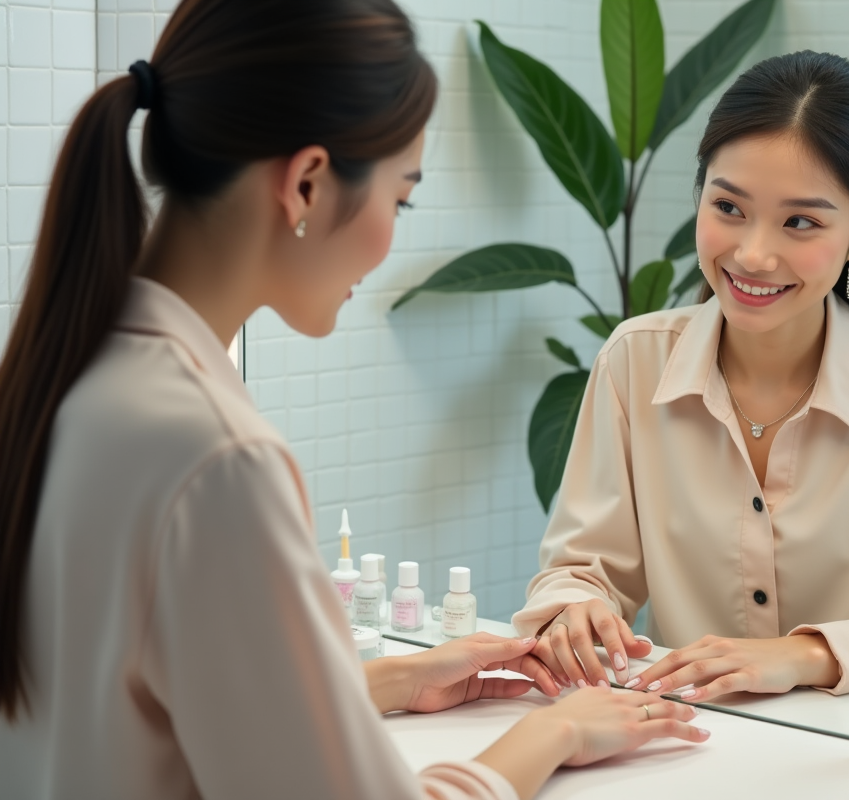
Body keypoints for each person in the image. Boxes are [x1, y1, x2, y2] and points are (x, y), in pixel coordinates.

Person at [0, 2, 707, 798]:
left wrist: (387, 680)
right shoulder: (216, 457)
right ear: (306, 183)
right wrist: (553, 733)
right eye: (399, 199)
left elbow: (142, 711)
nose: (391, 236)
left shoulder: (65, 377)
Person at [514, 50, 849, 703]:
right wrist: (574, 609)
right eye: (729, 207)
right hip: (679, 735)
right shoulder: (635, 361)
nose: (753, 254)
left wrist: (803, 655)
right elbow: (579, 570)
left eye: (800, 222)